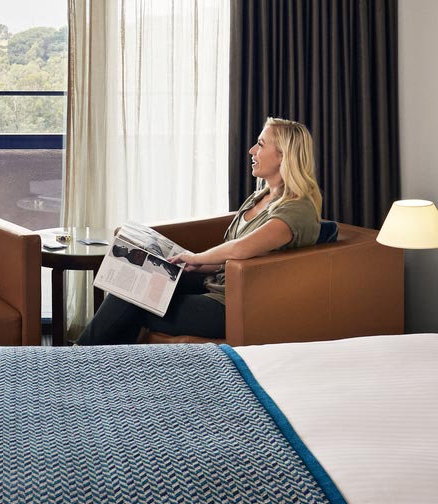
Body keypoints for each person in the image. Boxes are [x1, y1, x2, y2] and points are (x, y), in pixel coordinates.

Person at [75, 118, 323, 345]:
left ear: (283, 155)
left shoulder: (296, 210)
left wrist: (195, 258)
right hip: (215, 284)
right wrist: (188, 264)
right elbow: (229, 258)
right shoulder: (261, 197)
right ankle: (100, 363)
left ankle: (79, 359)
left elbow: (242, 248)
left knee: (134, 299)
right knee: (135, 278)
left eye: (260, 144)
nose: (252, 151)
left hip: (233, 305)